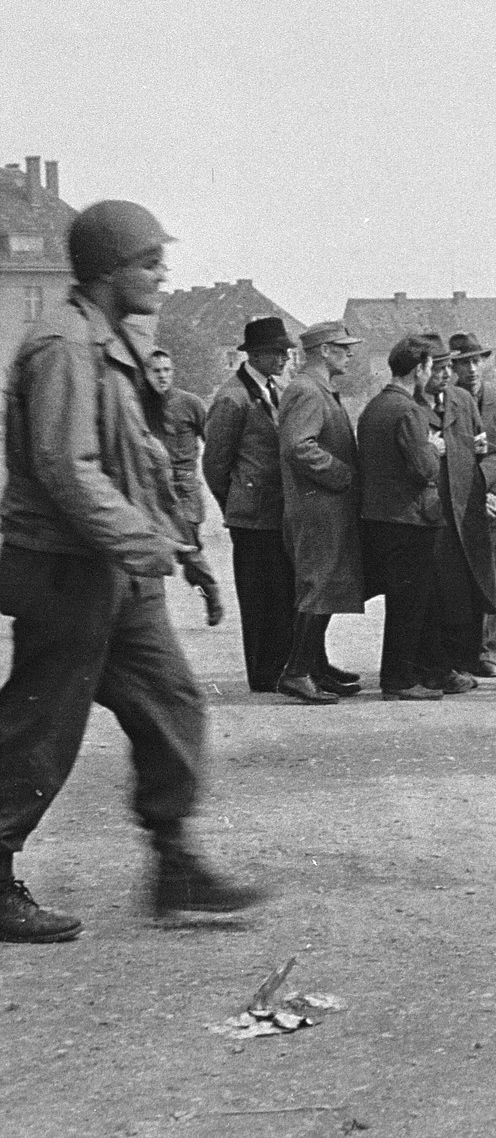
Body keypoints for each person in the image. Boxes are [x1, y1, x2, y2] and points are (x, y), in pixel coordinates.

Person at [0, 199, 264, 941]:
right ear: (111, 271)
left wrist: (182, 550)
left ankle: (174, 861)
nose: (161, 273)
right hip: (63, 569)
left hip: (116, 570)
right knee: (41, 724)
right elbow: (67, 467)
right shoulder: (62, 346)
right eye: (149, 262)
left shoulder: (112, 347)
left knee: (173, 703)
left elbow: (139, 464)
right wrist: (143, 546)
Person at [203, 316, 297, 692]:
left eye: (285, 351)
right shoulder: (232, 397)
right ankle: (263, 673)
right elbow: (214, 465)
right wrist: (237, 502)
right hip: (251, 516)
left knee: (280, 592)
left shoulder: (274, 389)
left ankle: (281, 666)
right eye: (276, 352)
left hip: (275, 513)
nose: (284, 358)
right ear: (254, 354)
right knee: (259, 598)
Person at [276, 320, 365, 704]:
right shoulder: (308, 392)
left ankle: (315, 664)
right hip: (317, 508)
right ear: (325, 351)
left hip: (325, 507)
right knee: (318, 586)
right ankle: (296, 672)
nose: (350, 353)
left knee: (324, 586)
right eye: (343, 347)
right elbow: (300, 447)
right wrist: (342, 473)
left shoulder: (317, 389)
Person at [358, 336, 449, 700]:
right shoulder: (409, 411)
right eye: (430, 367)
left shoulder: (374, 407)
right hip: (411, 521)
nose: (431, 373)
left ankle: (414, 673)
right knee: (409, 604)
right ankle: (398, 680)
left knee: (404, 600)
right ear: (418, 369)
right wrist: (435, 448)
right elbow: (422, 469)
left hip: (379, 518)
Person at [423, 335, 495, 686]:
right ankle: (441, 665)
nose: (448, 373)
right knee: (438, 588)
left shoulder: (462, 400)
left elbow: (486, 449)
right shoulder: (411, 405)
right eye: (439, 367)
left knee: (470, 584)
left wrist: (487, 487)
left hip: (467, 508)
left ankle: (466, 660)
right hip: (433, 513)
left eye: (448, 366)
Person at [145, 348, 224, 627]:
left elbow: (215, 447)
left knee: (188, 553)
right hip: (150, 488)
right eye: (156, 371)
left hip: (183, 487)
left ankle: (209, 593)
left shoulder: (190, 404)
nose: (162, 376)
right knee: (148, 555)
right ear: (146, 374)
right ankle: (152, 618)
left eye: (167, 370)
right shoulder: (137, 405)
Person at [451, 331, 496, 676]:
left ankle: (489, 651)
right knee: (459, 574)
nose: (471, 368)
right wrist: (471, 496)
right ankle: (462, 649)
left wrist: (495, 493)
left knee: (494, 576)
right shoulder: (448, 400)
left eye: (476, 360)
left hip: (494, 502)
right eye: (463, 362)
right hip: (462, 501)